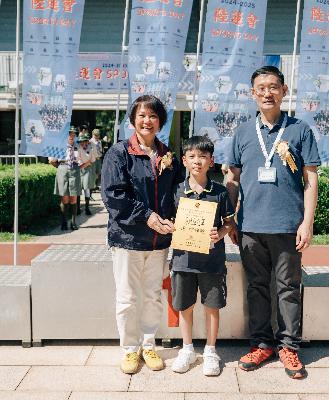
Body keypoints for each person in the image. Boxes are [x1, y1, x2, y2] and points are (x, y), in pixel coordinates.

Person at [226, 66, 320, 379]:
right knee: (256, 288)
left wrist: (307, 222)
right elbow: (233, 179)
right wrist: (230, 218)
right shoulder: (243, 132)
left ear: (284, 91)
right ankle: (262, 344)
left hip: (287, 226)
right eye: (261, 88)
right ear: (252, 93)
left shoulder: (300, 130)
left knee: (288, 288)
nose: (268, 93)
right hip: (250, 227)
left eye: (273, 87)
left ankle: (289, 347)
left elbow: (311, 178)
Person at [101, 95, 184, 375]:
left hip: (159, 241)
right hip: (128, 239)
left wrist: (178, 219)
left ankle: (149, 345)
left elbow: (177, 192)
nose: (147, 121)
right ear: (133, 120)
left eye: (153, 116)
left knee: (152, 296)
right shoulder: (119, 153)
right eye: (142, 115)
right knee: (127, 298)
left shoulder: (168, 155)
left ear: (160, 122)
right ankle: (129, 349)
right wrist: (147, 216)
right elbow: (113, 195)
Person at [170, 136, 235, 377]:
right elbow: (169, 219)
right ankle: (187, 349)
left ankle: (210, 351)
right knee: (184, 306)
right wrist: (173, 227)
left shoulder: (219, 191)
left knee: (212, 306)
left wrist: (220, 233)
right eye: (192, 156)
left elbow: (229, 223)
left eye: (203, 157)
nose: (197, 161)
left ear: (211, 161)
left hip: (211, 262)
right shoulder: (176, 190)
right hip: (183, 260)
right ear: (184, 160)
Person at [49, 127, 85, 231]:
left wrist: (78, 168)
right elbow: (52, 160)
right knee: (64, 197)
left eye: (73, 134)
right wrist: (60, 167)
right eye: (70, 134)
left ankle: (73, 222)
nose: (71, 136)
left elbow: (84, 160)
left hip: (74, 170)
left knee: (73, 197)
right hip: (63, 168)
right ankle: (64, 222)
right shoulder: (59, 145)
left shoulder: (78, 146)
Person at [77, 130, 95, 215]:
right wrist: (86, 163)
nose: (83, 143)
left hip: (87, 170)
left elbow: (93, 160)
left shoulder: (90, 149)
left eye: (84, 141)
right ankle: (77, 208)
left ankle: (87, 208)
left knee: (87, 188)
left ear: (87, 142)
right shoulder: (77, 149)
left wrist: (87, 163)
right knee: (78, 189)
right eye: (81, 141)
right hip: (79, 170)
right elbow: (78, 161)